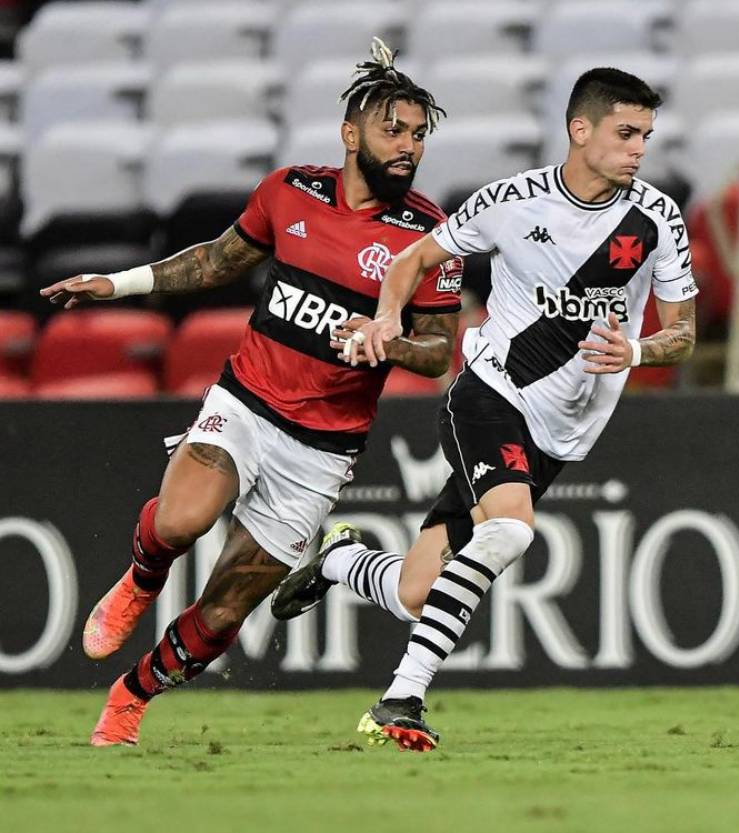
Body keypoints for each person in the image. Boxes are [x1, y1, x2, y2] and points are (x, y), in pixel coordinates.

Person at [39, 40, 463, 747]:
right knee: (181, 520)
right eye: (395, 129)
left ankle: (131, 694)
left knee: (225, 611)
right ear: (350, 134)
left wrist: (385, 337)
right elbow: (214, 261)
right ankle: (142, 579)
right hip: (246, 400)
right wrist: (119, 283)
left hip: (323, 447)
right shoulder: (290, 191)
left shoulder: (426, 234)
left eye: (420, 134)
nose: (409, 147)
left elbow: (440, 350)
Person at [271, 67, 698, 752]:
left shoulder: (658, 218)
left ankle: (338, 561)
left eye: (646, 135)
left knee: (415, 592)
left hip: (562, 433)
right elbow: (411, 260)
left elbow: (684, 332)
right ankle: (399, 698)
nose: (638, 149)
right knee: (511, 529)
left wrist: (640, 352)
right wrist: (385, 317)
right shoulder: (510, 200)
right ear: (579, 129)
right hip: (491, 393)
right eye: (626, 133)